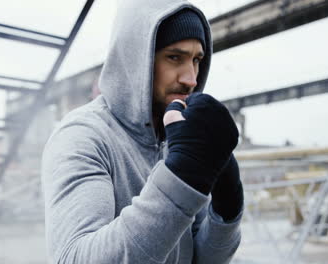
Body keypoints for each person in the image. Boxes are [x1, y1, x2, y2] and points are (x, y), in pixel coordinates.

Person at [41, 0, 244, 263]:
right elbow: (75, 258)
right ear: (137, 58)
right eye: (174, 57)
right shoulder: (83, 136)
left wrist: (227, 204)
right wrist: (182, 177)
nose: (191, 78)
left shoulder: (177, 139)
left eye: (196, 60)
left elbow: (202, 259)